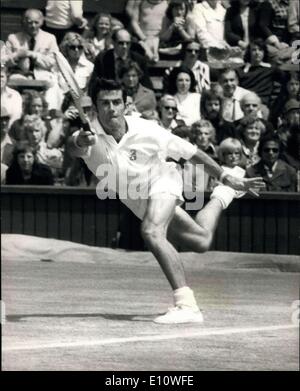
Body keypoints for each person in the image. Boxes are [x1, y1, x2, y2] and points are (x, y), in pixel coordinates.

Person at [67, 78, 264, 324]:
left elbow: (192, 153)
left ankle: (186, 304)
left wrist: (222, 174)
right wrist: (79, 141)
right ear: (95, 108)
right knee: (201, 240)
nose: (112, 109)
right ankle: (223, 196)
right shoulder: (88, 136)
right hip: (138, 201)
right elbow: (72, 147)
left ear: (126, 105)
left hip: (163, 182)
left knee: (151, 231)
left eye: (117, 102)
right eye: (105, 103)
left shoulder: (147, 129)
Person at [88, 29, 153, 94]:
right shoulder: (102, 58)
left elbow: (146, 83)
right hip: (109, 95)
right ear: (113, 42)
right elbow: (95, 82)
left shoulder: (138, 59)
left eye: (128, 43)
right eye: (121, 43)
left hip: (133, 96)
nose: (125, 46)